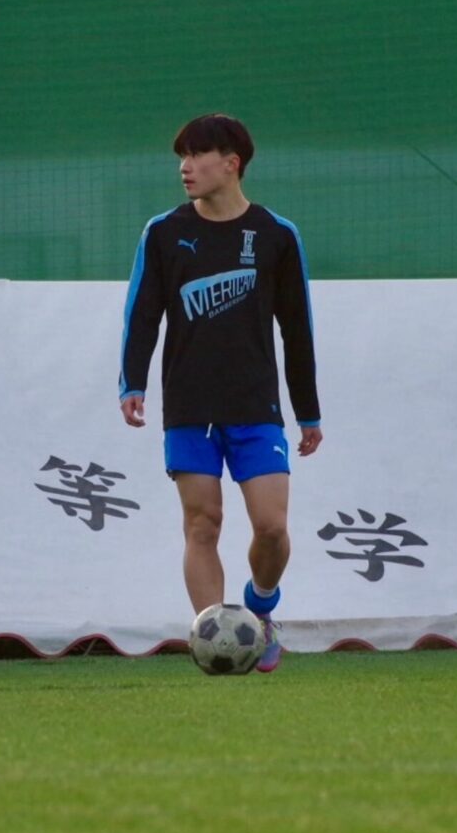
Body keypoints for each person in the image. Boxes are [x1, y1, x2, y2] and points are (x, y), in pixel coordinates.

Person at [119, 113, 322, 672]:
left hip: (256, 406)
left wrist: (308, 412)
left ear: (231, 164)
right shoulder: (163, 232)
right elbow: (142, 313)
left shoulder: (277, 235)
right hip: (189, 406)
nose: (185, 167)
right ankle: (217, 642)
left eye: (196, 155)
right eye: (181, 157)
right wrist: (132, 381)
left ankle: (260, 608)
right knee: (202, 523)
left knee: (272, 528)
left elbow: (297, 328)